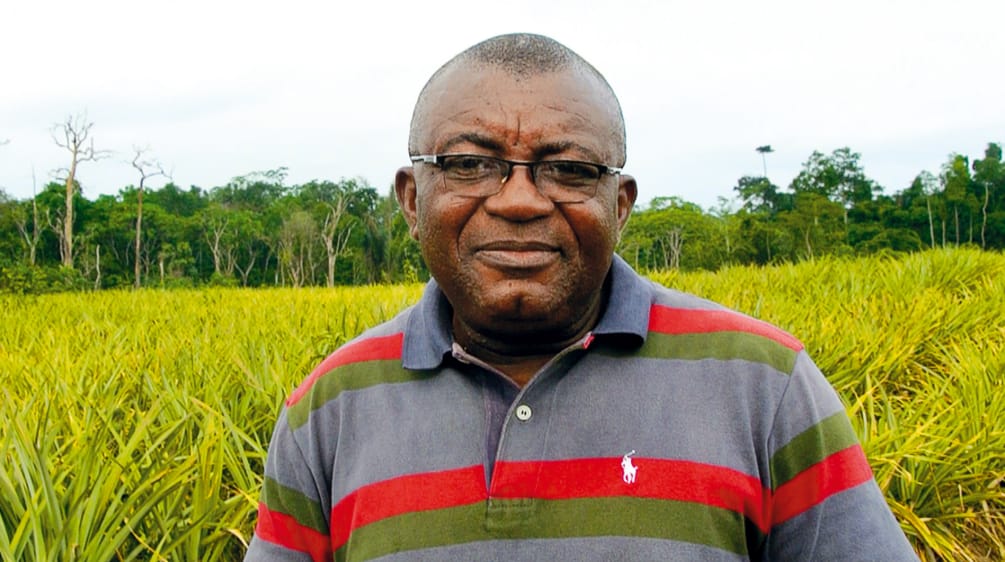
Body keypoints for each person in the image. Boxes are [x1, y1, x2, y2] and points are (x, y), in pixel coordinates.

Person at [245, 33, 917, 561]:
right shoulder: (328, 410)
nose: (517, 201)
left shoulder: (762, 384)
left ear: (618, 205)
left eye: (567, 169)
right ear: (412, 198)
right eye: (469, 164)